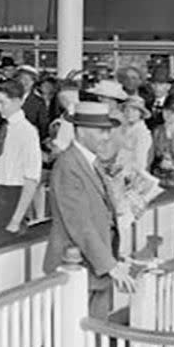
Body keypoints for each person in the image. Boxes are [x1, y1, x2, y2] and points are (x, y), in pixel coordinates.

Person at [44, 102, 136, 318]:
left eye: (108, 131)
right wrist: (110, 265)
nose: (106, 137)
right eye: (101, 131)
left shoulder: (90, 161)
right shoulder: (68, 165)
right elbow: (80, 224)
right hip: (76, 265)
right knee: (75, 335)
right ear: (81, 131)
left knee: (95, 332)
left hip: (96, 266)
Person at [0, 80, 42, 233]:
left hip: (13, 197)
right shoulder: (6, 127)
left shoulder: (27, 132)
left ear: (17, 102)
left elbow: (31, 179)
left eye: (2, 103)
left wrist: (16, 220)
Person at [117, 94, 153, 173]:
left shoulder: (142, 133)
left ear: (141, 113)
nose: (130, 113)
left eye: (134, 110)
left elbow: (140, 162)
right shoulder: (122, 128)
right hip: (117, 170)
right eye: (127, 110)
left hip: (129, 174)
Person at [18, 65, 51, 142]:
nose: (26, 82)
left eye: (30, 80)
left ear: (34, 82)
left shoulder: (39, 102)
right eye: (23, 79)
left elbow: (43, 125)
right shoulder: (10, 97)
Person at [146, 65, 174, 130]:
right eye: (154, 84)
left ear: (168, 86)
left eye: (161, 84)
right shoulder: (147, 103)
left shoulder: (173, 103)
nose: (157, 88)